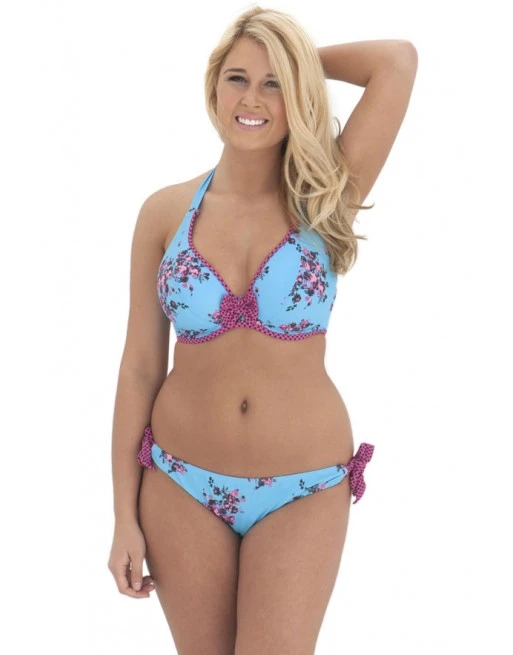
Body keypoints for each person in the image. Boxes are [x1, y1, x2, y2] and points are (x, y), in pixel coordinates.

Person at [108, 5, 417, 653]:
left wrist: (298, 59)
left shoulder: (325, 195)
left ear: (297, 94)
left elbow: (395, 60)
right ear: (213, 87)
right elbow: (140, 365)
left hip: (302, 486)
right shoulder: (164, 212)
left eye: (275, 83)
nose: (253, 98)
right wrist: (122, 515)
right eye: (238, 78)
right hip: (180, 481)